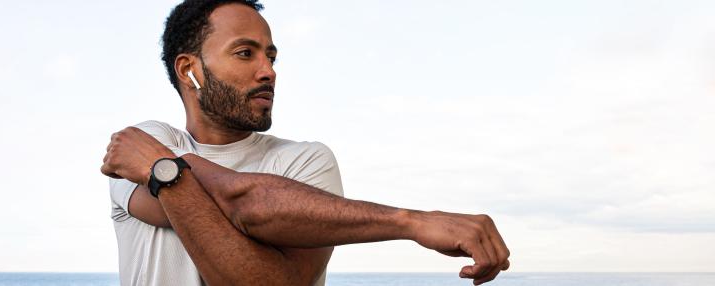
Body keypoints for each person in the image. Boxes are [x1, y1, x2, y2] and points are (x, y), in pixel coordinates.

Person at [101, 1, 510, 285]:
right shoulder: (143, 142)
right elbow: (246, 204)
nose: (269, 72)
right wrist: (411, 222)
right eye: (245, 54)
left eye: (272, 57)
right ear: (190, 70)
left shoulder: (305, 160)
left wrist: (165, 170)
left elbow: (273, 282)